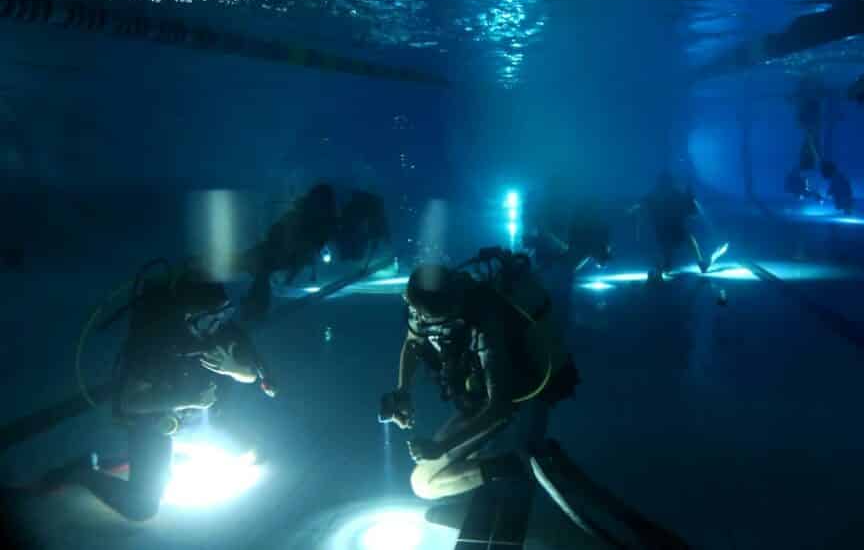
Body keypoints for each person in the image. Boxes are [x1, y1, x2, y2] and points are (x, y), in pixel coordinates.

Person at [35, 263, 266, 521]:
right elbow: (130, 402)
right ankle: (82, 473)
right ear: (188, 316)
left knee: (250, 454)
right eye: (211, 316)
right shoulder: (154, 342)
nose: (218, 323)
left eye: (223, 314)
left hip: (194, 417)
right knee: (141, 506)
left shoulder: (216, 330)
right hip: (155, 420)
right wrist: (186, 400)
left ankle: (170, 460)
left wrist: (233, 368)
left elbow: (251, 375)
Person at [379, 251, 580, 500]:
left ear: (454, 311)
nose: (424, 326)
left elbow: (499, 409)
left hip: (511, 398)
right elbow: (413, 342)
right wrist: (403, 390)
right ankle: (509, 459)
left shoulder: (486, 327)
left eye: (434, 322)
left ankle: (523, 463)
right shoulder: (426, 307)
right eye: (418, 316)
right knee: (427, 474)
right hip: (481, 396)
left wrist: (442, 447)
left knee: (424, 485)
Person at [238, 183, 390, 321]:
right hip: (283, 250)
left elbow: (300, 244)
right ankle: (251, 309)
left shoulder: (321, 221)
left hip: (286, 251)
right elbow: (289, 239)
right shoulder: (315, 219)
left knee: (260, 268)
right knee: (257, 267)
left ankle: (253, 310)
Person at [631, 172, 709, 279]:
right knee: (682, 243)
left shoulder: (665, 194)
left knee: (677, 244)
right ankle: (696, 262)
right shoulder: (666, 194)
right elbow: (644, 202)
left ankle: (696, 262)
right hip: (668, 228)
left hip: (668, 228)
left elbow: (644, 202)